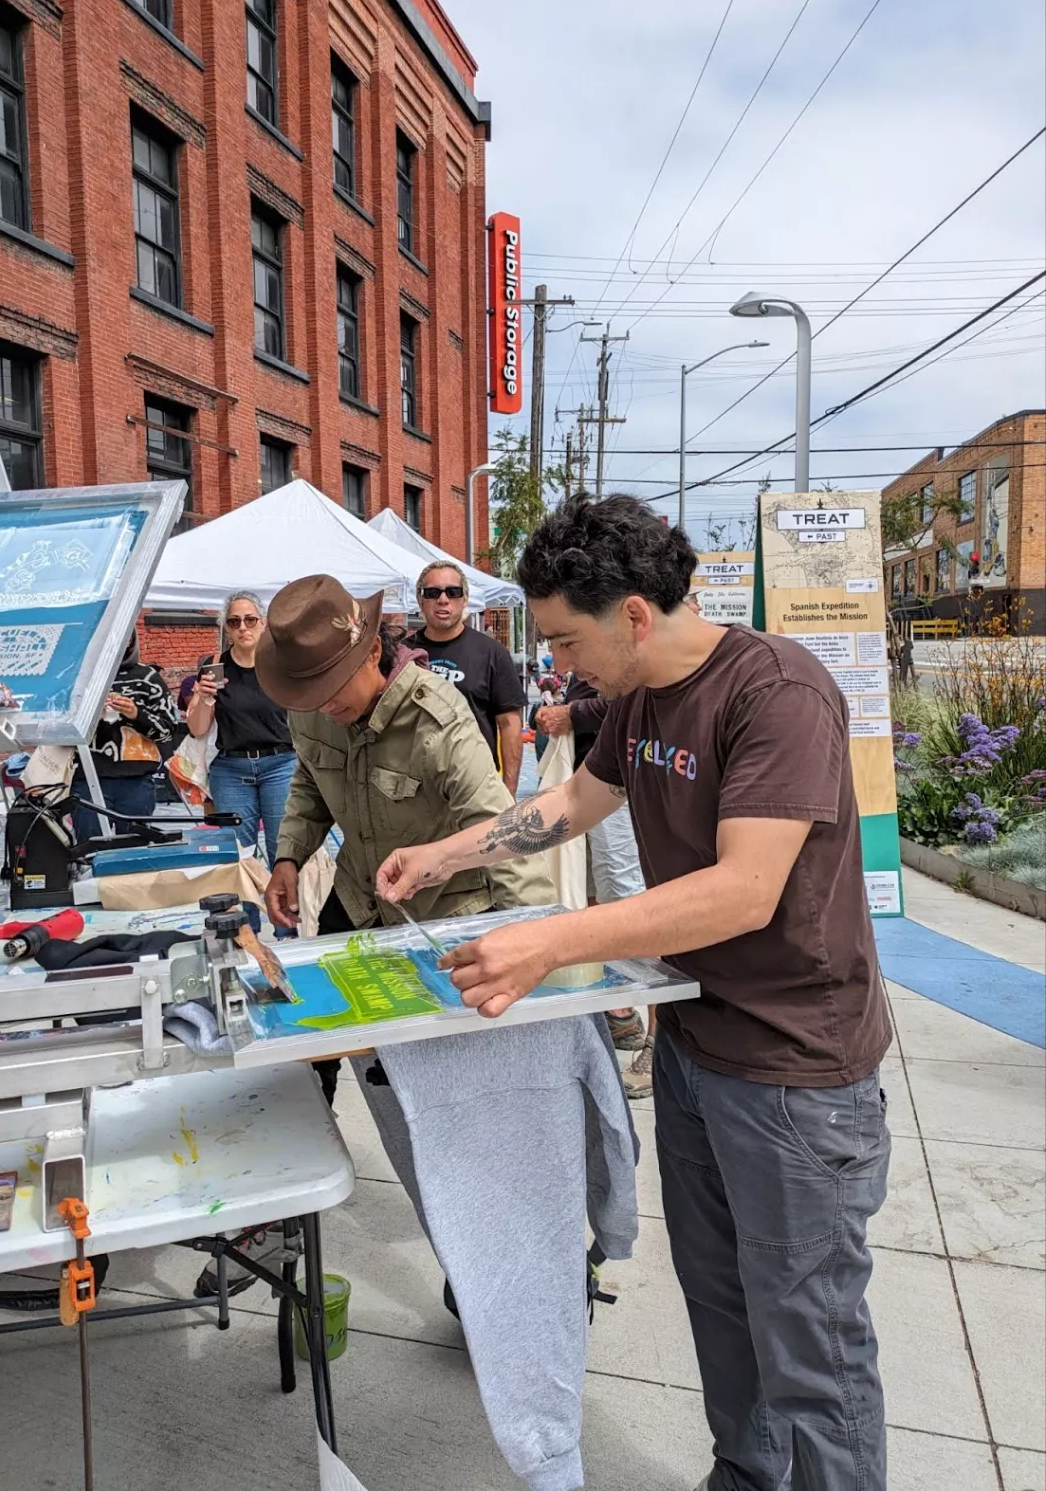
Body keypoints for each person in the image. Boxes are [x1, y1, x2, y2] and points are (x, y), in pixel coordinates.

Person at [378, 493, 893, 1491]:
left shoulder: (775, 690)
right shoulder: (640, 698)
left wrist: (550, 940)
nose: (562, 664)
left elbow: (746, 888)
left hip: (797, 1066)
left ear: (635, 614)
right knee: (724, 1306)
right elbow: (575, 800)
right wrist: (446, 854)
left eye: (569, 637)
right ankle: (745, 1474)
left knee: (812, 1345)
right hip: (699, 1046)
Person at [258, 573, 554, 1109]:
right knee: (313, 1037)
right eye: (310, 697)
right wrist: (288, 856)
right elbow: (310, 782)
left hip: (442, 910)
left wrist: (539, 940)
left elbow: (500, 829)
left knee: (442, 1069)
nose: (322, 708)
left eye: (331, 690)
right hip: (357, 897)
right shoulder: (309, 703)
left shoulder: (437, 718)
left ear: (372, 652)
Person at [535, 675, 651, 1094]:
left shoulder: (639, 652)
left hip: (621, 791)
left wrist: (573, 713)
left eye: (568, 639)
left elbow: (637, 696)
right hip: (590, 783)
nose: (562, 657)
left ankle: (660, 1035)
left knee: (631, 905)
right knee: (586, 899)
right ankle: (619, 1015)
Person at [185, 590, 296, 867]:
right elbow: (198, 729)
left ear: (263, 622)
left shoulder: (281, 664)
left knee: (284, 851)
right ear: (226, 628)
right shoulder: (215, 668)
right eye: (234, 622)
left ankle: (286, 910)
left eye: (250, 619)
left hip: (280, 764)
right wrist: (206, 698)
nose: (243, 627)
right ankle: (246, 912)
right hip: (231, 768)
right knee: (238, 856)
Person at [408, 561, 525, 795]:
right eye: (432, 593)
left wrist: (508, 791)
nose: (443, 599)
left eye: (453, 592)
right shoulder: (403, 654)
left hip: (475, 784)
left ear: (464, 599)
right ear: (421, 600)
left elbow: (509, 724)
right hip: (416, 789)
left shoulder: (491, 653)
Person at [71, 632, 177, 845]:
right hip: (88, 777)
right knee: (90, 849)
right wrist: (89, 716)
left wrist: (135, 714)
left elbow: (167, 730)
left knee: (134, 850)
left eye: (124, 635)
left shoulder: (148, 678)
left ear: (131, 639)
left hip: (136, 780)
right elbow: (59, 723)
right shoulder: (78, 676)